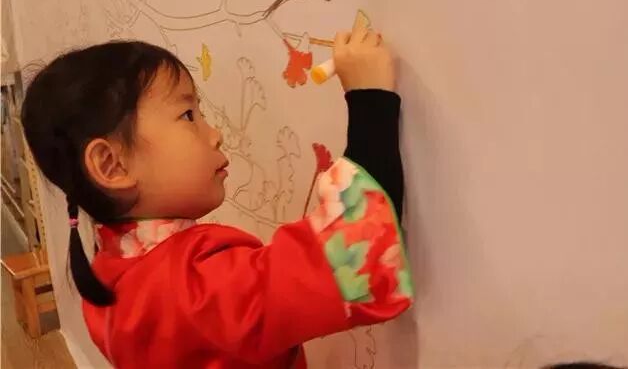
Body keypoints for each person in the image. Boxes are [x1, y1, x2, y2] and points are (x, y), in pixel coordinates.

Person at [20, 27, 411, 368]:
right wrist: (370, 96)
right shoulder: (195, 291)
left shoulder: (108, 273)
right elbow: (354, 254)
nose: (215, 134)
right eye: (188, 116)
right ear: (112, 165)